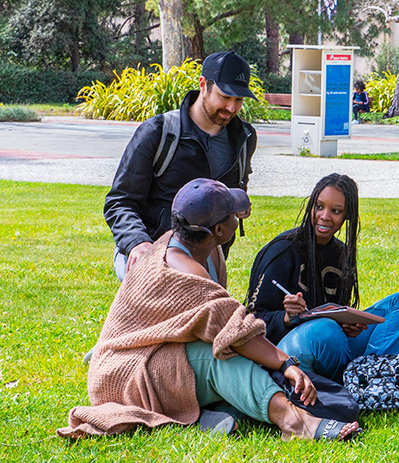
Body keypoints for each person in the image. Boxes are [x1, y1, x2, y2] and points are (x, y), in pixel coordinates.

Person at [60, 178, 360, 441]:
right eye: (232, 214)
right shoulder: (183, 272)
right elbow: (236, 332)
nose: (239, 217)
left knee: (235, 356)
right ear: (219, 229)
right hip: (128, 373)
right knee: (221, 356)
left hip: (162, 355)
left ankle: (210, 415)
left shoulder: (198, 246)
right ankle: (294, 422)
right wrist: (287, 365)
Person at [247, 173, 399, 382]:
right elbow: (251, 321)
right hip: (287, 350)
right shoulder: (282, 251)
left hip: (332, 342)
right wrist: (286, 317)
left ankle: (372, 375)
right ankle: (361, 379)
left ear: (347, 215)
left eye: (336, 211)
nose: (325, 216)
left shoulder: (342, 254)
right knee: (325, 329)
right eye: (319, 207)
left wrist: (349, 325)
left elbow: (337, 312)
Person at [105, 51, 259, 281]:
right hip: (148, 249)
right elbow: (120, 202)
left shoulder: (244, 137)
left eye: (239, 100)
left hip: (207, 257)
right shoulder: (158, 132)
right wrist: (137, 243)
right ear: (203, 84)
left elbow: (231, 196)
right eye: (225, 96)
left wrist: (237, 204)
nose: (231, 107)